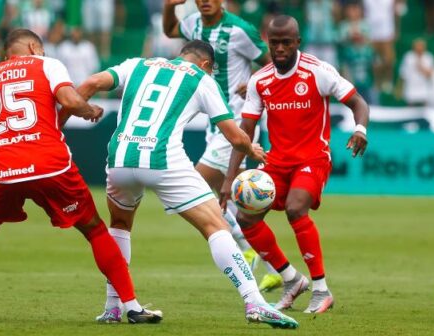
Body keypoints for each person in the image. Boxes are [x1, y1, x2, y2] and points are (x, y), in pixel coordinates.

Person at [0, 29, 162, 324]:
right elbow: (70, 100)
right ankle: (132, 307)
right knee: (95, 229)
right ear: (34, 46)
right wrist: (89, 110)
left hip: (3, 167)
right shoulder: (47, 64)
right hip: (49, 162)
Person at [76, 40, 299, 328]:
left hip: (119, 158)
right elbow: (235, 135)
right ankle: (255, 302)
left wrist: (78, 109)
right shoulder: (202, 79)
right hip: (161, 159)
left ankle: (113, 307)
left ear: (182, 54)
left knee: (119, 225)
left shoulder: (138, 64)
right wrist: (252, 149)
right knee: (216, 225)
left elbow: (92, 81)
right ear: (207, 65)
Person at [220, 15, 369, 314]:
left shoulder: (318, 71)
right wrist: (229, 177)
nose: (280, 49)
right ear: (268, 43)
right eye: (274, 43)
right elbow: (244, 131)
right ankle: (291, 279)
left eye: (286, 42)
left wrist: (359, 129)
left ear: (297, 42)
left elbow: (358, 103)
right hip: (277, 162)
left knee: (295, 207)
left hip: (313, 158)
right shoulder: (260, 80)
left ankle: (321, 289)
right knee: (245, 216)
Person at [163, 0, 282, 292]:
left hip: (238, 121)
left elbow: (273, 64)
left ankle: (249, 248)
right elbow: (169, 31)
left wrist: (254, 82)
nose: (204, 1)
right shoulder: (193, 24)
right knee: (231, 199)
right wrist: (168, 7)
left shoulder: (240, 30)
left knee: (195, 183)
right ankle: (272, 265)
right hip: (212, 122)